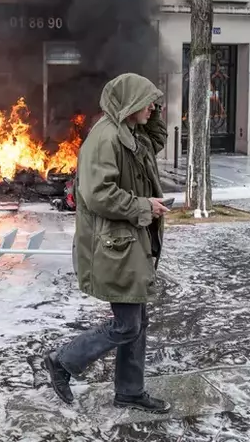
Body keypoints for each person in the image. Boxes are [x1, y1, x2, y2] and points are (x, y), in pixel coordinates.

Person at [44, 73, 171, 414]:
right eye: (146, 102)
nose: (153, 107)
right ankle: (62, 361)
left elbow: (154, 142)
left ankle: (130, 391)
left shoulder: (128, 131)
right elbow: (99, 195)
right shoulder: (106, 137)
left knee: (137, 320)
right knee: (127, 324)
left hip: (128, 243)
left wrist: (151, 112)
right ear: (129, 104)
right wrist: (144, 207)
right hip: (114, 245)